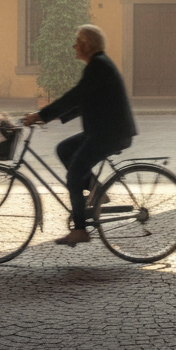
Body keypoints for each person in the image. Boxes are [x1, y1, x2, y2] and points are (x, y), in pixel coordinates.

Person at [23, 24, 136, 246]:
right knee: (64, 149)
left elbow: (75, 96)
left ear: (86, 45)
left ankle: (80, 229)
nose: (74, 46)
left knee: (74, 174)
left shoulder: (98, 66)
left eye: (78, 42)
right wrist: (51, 117)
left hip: (109, 133)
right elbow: (83, 101)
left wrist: (42, 115)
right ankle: (96, 189)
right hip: (104, 131)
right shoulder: (98, 65)